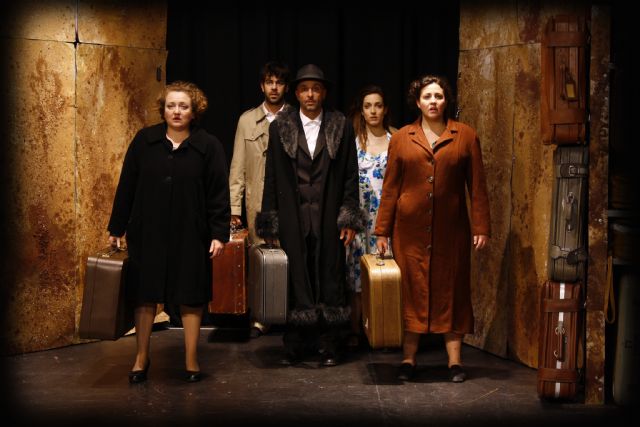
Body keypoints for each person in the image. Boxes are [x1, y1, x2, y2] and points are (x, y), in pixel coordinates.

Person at [107, 81, 230, 384]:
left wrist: (218, 233)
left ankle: (191, 358)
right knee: (145, 294)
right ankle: (141, 357)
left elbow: (218, 193)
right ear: (163, 109)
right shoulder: (144, 141)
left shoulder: (208, 146)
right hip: (148, 231)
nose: (176, 111)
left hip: (192, 233)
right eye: (171, 105)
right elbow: (127, 186)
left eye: (183, 106)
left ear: (194, 111)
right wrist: (116, 227)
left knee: (191, 294)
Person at [374, 75, 490, 383]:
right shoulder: (402, 138)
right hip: (408, 234)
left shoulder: (465, 136)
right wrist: (382, 230)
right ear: (418, 102)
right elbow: (390, 188)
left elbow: (478, 186)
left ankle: (455, 362)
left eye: (438, 96)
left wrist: (481, 227)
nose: (433, 101)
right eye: (427, 97)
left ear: (446, 100)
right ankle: (408, 359)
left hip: (451, 233)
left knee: (452, 292)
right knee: (411, 293)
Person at [256, 64, 364, 367]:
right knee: (296, 278)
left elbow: (350, 175)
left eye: (316, 89)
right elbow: (271, 176)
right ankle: (296, 344)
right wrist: (270, 222)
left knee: (330, 277)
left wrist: (348, 218)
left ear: (324, 92)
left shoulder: (341, 125)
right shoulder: (280, 127)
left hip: (328, 216)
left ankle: (331, 344)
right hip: (294, 215)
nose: (310, 94)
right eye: (304, 89)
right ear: (296, 93)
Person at [344, 85, 396, 350]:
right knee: (357, 276)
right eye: (368, 106)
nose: (373, 111)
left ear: (385, 109)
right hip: (360, 218)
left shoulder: (396, 139)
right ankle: (356, 330)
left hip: (386, 219)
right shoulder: (352, 141)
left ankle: (384, 329)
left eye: (378, 105)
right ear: (361, 110)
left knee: (385, 274)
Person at [229, 61, 291, 244]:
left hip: (288, 203)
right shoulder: (247, 121)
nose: (274, 87)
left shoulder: (296, 120)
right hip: (256, 202)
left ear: (287, 87)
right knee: (260, 255)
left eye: (279, 83)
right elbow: (237, 168)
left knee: (290, 254)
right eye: (269, 82)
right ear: (262, 86)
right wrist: (234, 208)